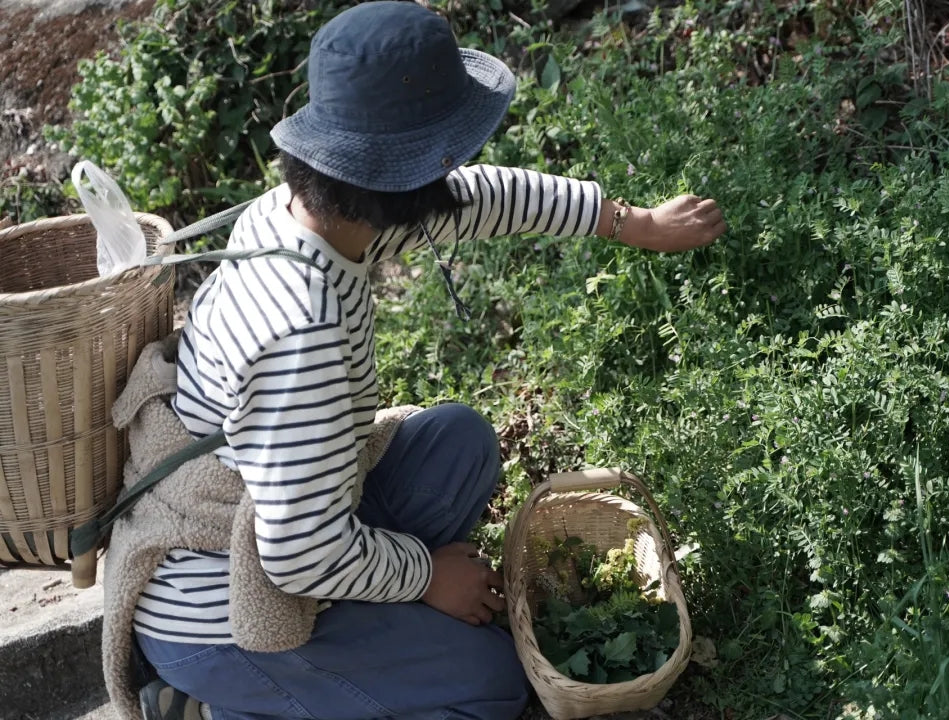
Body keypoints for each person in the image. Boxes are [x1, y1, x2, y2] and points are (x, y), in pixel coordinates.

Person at [111, 2, 726, 719]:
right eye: (445, 157)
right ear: (393, 176)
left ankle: (372, 647)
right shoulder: (301, 333)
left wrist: (630, 222)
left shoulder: (309, 210)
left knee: (459, 440)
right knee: (491, 684)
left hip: (279, 510)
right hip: (224, 608)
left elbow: (478, 199)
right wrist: (426, 576)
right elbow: (296, 557)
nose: (455, 170)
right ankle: (223, 705)